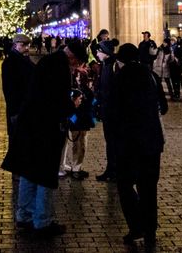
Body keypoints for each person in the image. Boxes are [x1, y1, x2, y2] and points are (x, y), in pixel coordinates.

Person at [2, 39, 82, 239]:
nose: (76, 67)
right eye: (76, 63)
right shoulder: (60, 67)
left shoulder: (48, 61)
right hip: (45, 130)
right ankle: (43, 221)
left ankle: (24, 216)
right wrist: (74, 105)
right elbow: (57, 102)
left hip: (30, 127)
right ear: (72, 57)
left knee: (29, 172)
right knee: (45, 175)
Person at [108, 43, 168, 249]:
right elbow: (165, 107)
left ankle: (136, 226)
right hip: (152, 143)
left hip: (129, 143)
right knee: (149, 188)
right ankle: (150, 231)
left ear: (121, 60)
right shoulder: (152, 76)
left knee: (125, 185)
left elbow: (112, 112)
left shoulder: (120, 78)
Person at [59, 64, 94, 180]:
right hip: (77, 121)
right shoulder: (73, 90)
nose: (78, 78)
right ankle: (75, 167)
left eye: (80, 76)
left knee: (81, 144)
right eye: (77, 76)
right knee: (77, 144)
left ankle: (77, 167)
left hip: (82, 121)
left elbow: (90, 104)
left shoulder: (86, 91)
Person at [94, 39, 119, 183]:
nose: (97, 53)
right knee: (109, 142)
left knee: (112, 142)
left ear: (106, 53)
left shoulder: (112, 67)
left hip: (111, 111)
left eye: (99, 51)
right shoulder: (105, 65)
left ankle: (113, 170)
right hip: (106, 109)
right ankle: (111, 169)